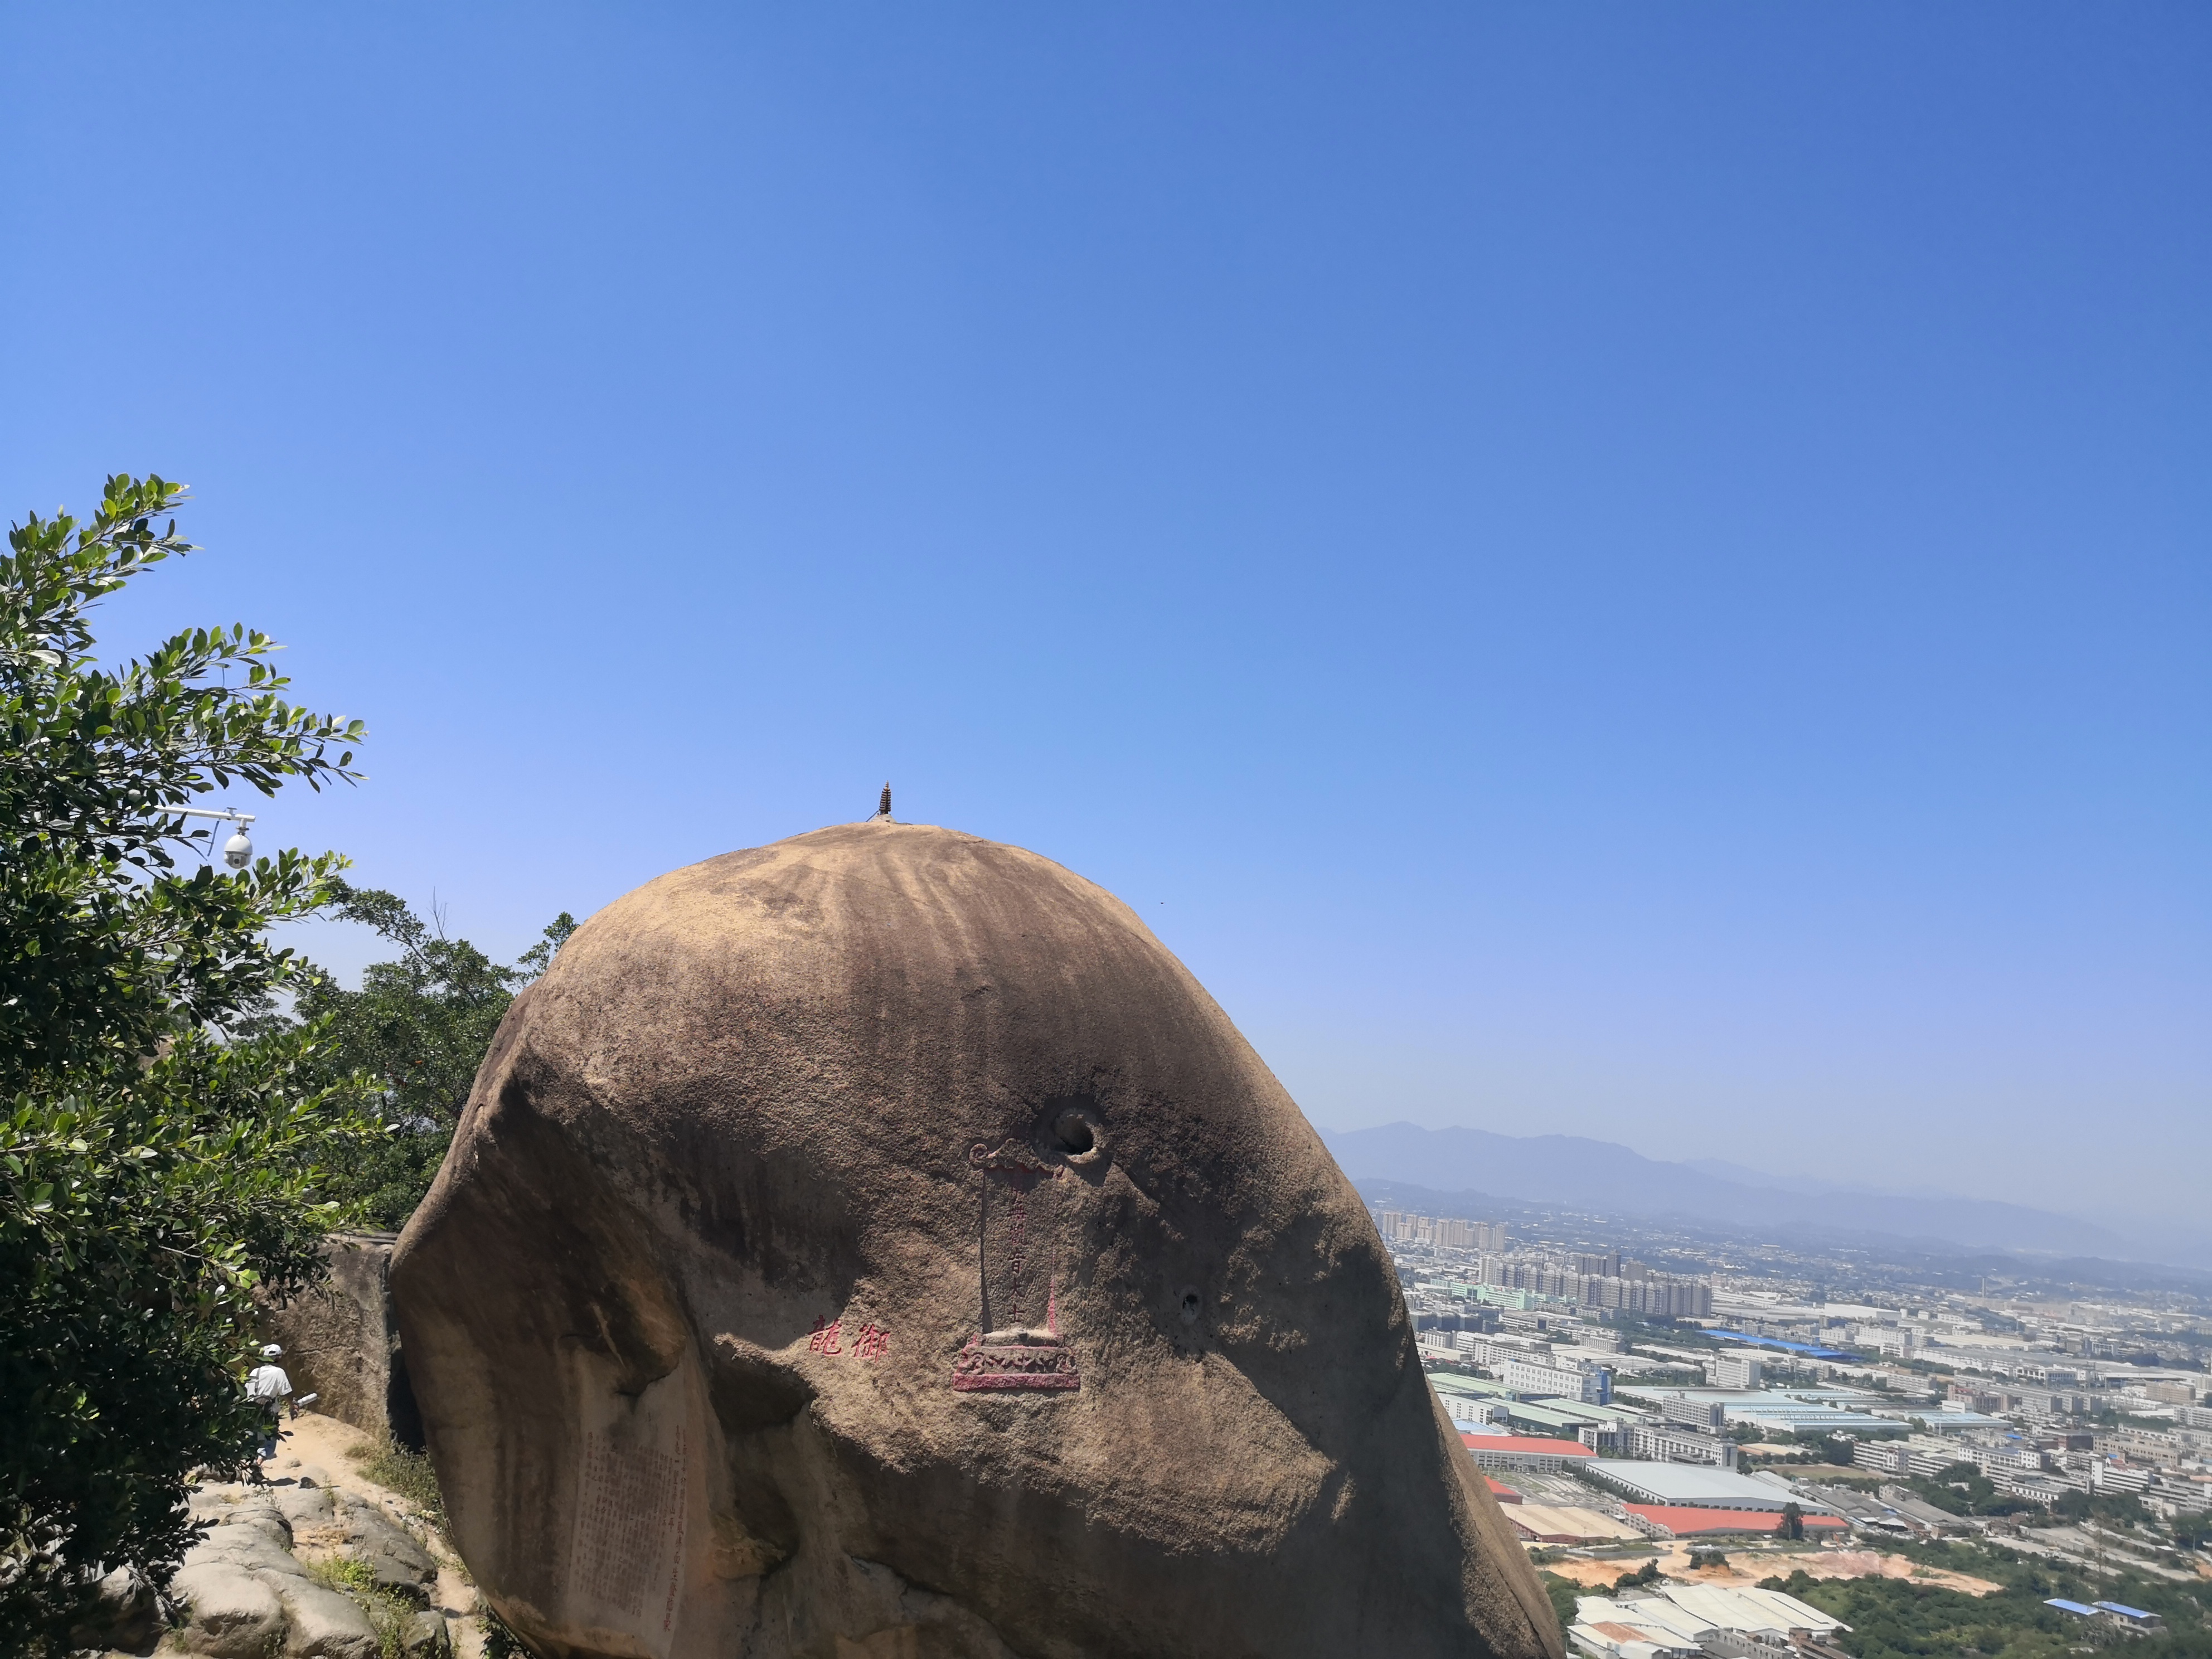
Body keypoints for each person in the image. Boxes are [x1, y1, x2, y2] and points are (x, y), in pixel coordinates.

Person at [245, 1343, 294, 1483]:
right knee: (269, 1441)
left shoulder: (255, 1372)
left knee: (253, 1439)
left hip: (252, 1410)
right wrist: (292, 1405)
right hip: (268, 1411)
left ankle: (253, 1471)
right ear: (277, 1358)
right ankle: (258, 1463)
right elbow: (286, 1393)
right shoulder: (278, 1372)